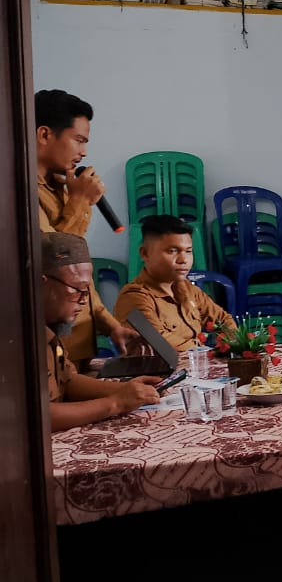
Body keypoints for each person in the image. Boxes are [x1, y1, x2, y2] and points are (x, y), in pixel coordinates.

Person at [34, 88, 139, 364]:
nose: (84, 152)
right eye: (78, 140)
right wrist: (80, 201)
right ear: (44, 135)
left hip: (81, 343)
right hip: (53, 345)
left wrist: (110, 325)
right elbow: (58, 265)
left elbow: (81, 276)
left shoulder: (63, 188)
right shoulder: (22, 195)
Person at [40, 232, 161, 431]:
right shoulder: (16, 341)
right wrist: (115, 403)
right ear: (41, 284)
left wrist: (128, 389)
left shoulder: (49, 332)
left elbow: (67, 380)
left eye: (87, 291)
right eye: (77, 289)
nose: (84, 300)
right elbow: (41, 415)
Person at [112, 215, 236, 351]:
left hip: (194, 366)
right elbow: (159, 344)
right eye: (172, 251)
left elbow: (223, 319)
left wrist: (232, 346)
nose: (183, 260)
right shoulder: (134, 297)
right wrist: (203, 351)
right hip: (159, 371)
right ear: (145, 253)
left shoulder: (187, 288)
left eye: (188, 251)